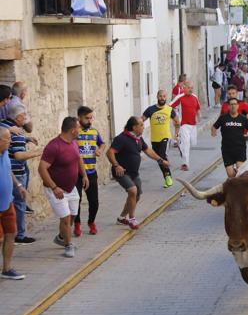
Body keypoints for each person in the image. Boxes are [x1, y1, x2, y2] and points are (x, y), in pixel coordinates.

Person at [107, 117, 170, 231]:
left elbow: (148, 151)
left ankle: (121, 218)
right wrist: (116, 165)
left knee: (136, 196)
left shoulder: (138, 138)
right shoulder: (121, 138)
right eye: (141, 125)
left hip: (134, 173)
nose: (143, 126)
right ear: (134, 127)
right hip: (122, 172)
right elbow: (110, 152)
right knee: (133, 191)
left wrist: (161, 160)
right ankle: (132, 219)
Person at [38, 117, 88, 258]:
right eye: (78, 128)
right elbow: (42, 169)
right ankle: (68, 245)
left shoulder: (73, 142)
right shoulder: (53, 146)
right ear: (73, 130)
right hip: (55, 190)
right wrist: (54, 187)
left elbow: (78, 159)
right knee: (65, 218)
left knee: (73, 215)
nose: (80, 130)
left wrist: (84, 175)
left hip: (71, 188)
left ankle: (61, 237)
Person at [0, 104, 41, 244]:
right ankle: (20, 235)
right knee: (19, 204)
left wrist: (27, 139)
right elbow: (18, 155)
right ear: (17, 117)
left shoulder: (3, 126)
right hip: (16, 172)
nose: (26, 118)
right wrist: (36, 153)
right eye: (24, 116)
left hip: (8, 172)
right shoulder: (16, 132)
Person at [74, 106, 106, 237]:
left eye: (91, 117)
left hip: (91, 172)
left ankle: (91, 222)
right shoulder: (75, 132)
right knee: (77, 200)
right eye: (87, 118)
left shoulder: (94, 131)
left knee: (94, 202)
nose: (90, 120)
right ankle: (77, 224)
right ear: (79, 118)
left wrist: (100, 150)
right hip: (76, 174)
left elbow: (102, 143)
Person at [0, 127, 26, 279]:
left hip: (7, 202)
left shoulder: (4, 154)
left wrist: (19, 185)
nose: (10, 142)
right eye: (7, 139)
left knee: (11, 233)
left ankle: (7, 269)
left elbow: (9, 171)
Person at [142, 91, 180, 189]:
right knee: (158, 158)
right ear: (157, 97)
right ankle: (167, 177)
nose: (162, 98)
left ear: (166, 97)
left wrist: (177, 133)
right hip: (154, 138)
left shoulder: (169, 109)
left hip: (165, 137)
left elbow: (177, 121)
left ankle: (168, 177)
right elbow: (140, 120)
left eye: (164, 96)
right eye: (160, 96)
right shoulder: (150, 110)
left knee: (162, 156)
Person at [212, 97, 248, 177]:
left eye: (235, 104)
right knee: (230, 174)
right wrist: (213, 132)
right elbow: (214, 126)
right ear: (228, 106)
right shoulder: (223, 118)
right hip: (227, 150)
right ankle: (235, 179)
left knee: (240, 172)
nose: (233, 106)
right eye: (231, 104)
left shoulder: (243, 118)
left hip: (240, 149)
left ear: (238, 106)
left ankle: (238, 183)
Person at [170, 82, 201, 171]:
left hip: (193, 124)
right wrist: (175, 118)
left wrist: (199, 116)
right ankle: (185, 163)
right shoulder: (180, 97)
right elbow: (170, 106)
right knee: (186, 143)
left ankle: (180, 145)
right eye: (189, 88)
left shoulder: (195, 97)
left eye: (192, 88)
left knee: (192, 142)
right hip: (183, 124)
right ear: (184, 88)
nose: (190, 89)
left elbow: (198, 108)